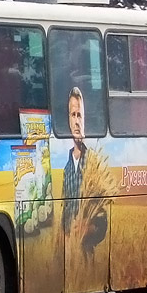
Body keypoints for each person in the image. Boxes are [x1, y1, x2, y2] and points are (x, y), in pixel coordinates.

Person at [61, 86, 86, 232]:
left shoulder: (93, 164)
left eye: (79, 115)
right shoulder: (66, 170)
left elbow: (102, 216)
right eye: (73, 115)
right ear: (69, 121)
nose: (76, 122)